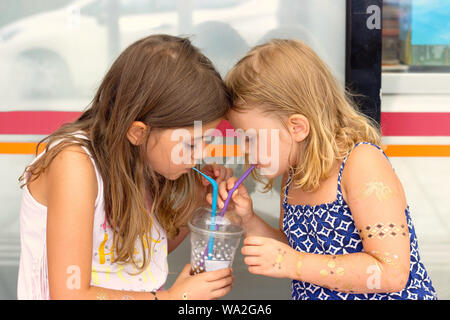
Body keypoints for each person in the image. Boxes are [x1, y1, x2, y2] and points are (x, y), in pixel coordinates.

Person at [209, 39, 437, 300]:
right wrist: (247, 218)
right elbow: (298, 250)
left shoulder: (361, 163)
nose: (246, 151)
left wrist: (293, 263)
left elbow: (392, 272)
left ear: (297, 127)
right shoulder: (294, 175)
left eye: (251, 138)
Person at [17, 34, 235, 300]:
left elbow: (133, 259)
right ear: (138, 132)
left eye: (206, 141)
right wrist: (175, 298)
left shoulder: (139, 160)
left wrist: (200, 204)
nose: (200, 155)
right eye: (190, 145)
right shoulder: (74, 166)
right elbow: (69, 294)